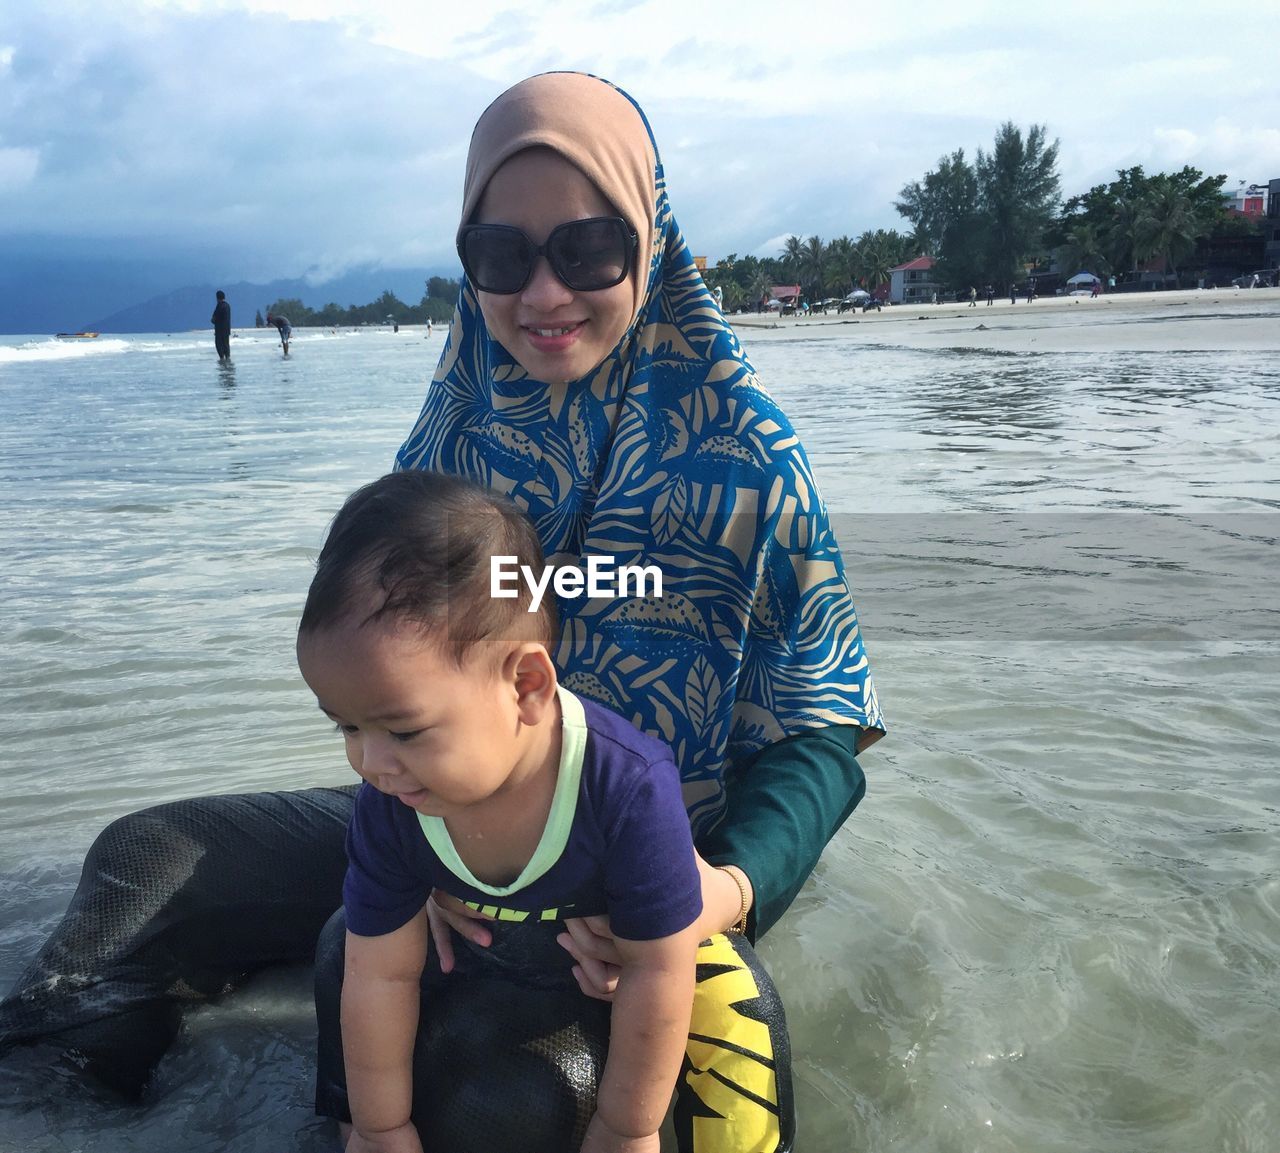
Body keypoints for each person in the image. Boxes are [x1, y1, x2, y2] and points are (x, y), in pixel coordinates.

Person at [0, 72, 882, 1153]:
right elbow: (386, 675)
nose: (543, 293)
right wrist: (420, 858)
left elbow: (819, 730)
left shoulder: (749, 463)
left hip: (651, 873)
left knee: (515, 1096)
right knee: (146, 862)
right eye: (501, 256)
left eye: (588, 248)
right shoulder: (452, 441)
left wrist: (726, 888)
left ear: (647, 245)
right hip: (451, 822)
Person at [298, 470, 703, 1153]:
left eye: (402, 729)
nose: (368, 762)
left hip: (590, 972)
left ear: (525, 685)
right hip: (476, 956)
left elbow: (660, 971)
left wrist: (625, 1128)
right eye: (345, 726)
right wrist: (380, 1125)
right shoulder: (393, 802)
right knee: (342, 945)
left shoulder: (627, 788)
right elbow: (381, 971)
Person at [211, 290, 232, 360]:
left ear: (217, 298)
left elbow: (214, 318)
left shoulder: (219, 306)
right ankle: (227, 359)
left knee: (219, 346)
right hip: (227, 330)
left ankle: (222, 360)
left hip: (220, 330)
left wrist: (213, 320)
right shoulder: (227, 305)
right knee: (226, 345)